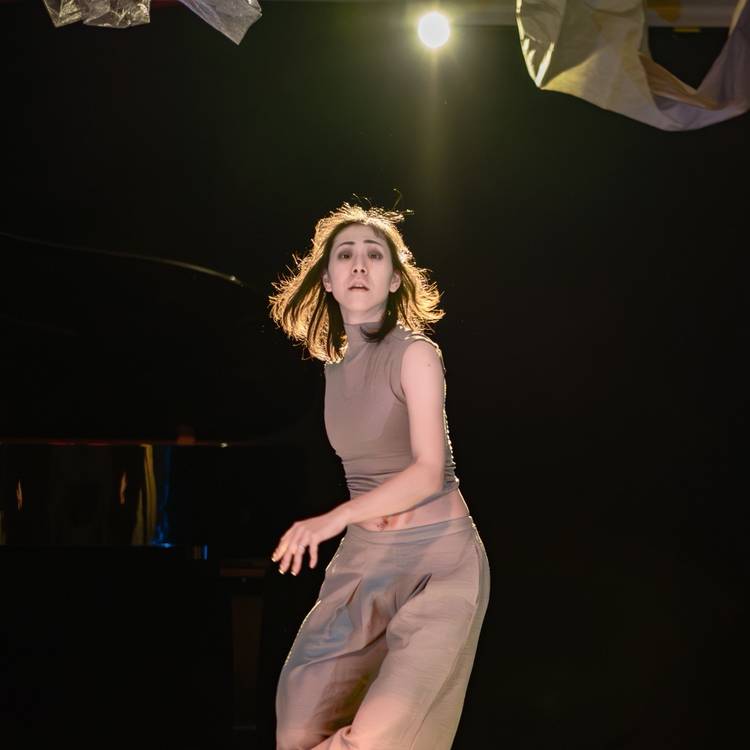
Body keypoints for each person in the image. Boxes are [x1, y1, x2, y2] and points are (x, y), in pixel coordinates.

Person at [267, 203, 490, 750]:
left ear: (393, 279)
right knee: (297, 728)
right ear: (328, 280)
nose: (359, 264)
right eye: (345, 255)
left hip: (439, 566)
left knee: (375, 738)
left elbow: (429, 472)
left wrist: (332, 518)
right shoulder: (334, 366)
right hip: (364, 565)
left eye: (374, 254)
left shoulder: (416, 354)